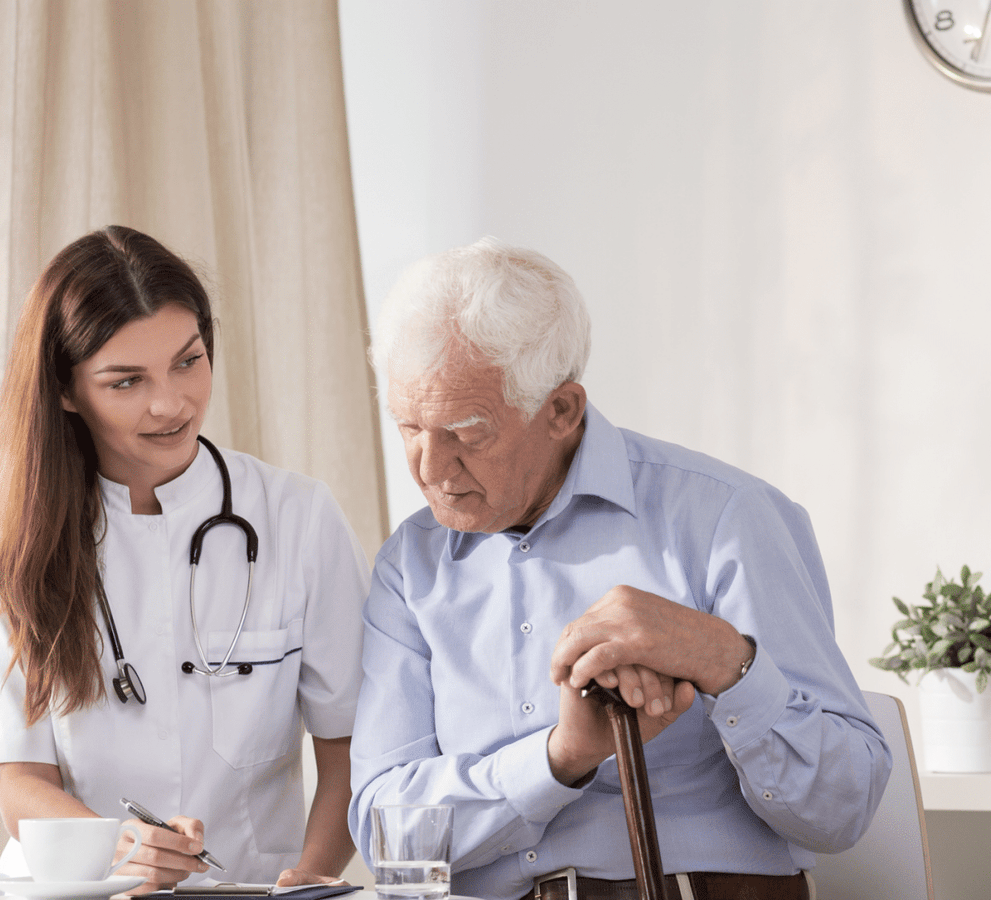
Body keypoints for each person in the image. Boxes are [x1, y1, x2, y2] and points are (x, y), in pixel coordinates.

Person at [348, 238, 891, 900]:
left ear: (561, 410)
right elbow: (392, 853)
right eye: (408, 428)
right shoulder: (411, 565)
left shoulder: (728, 519)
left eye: (467, 433)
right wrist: (561, 758)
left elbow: (842, 813)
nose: (429, 470)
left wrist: (724, 660)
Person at [0, 226, 368, 891]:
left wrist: (306, 883)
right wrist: (118, 847)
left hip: (248, 892)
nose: (171, 403)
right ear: (65, 389)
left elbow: (350, 751)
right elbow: (18, 777)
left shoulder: (299, 519)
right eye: (127, 381)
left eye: (188, 361)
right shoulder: (13, 543)